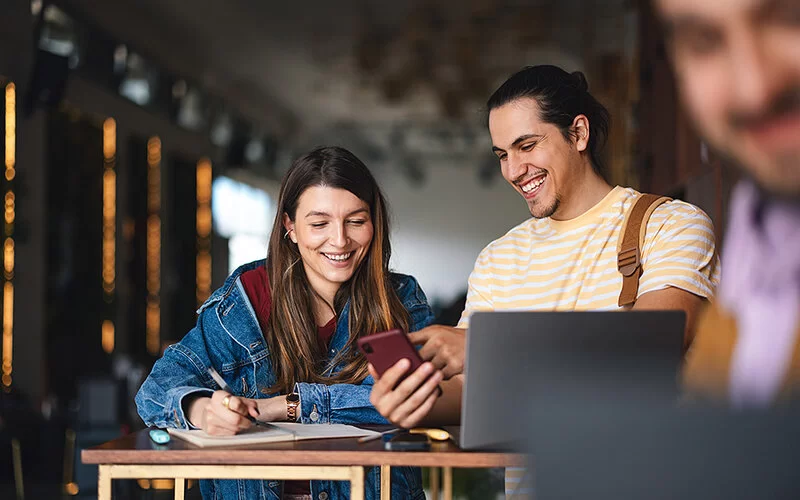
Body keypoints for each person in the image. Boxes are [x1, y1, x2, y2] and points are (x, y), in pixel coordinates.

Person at [368, 65, 720, 497]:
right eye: (502, 155)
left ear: (578, 134)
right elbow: (470, 392)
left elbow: (655, 345)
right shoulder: (499, 259)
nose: (514, 170)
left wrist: (483, 345)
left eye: (527, 145)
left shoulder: (669, 224)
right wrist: (413, 401)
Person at [136, 146, 460, 500]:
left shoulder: (399, 299)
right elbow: (155, 392)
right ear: (290, 226)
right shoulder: (245, 299)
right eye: (319, 223)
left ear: (374, 221)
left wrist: (289, 405)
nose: (339, 240)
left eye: (356, 220)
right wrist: (204, 410)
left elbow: (418, 400)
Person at [654, 0, 800, 406]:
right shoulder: (758, 231)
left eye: (791, 18)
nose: (755, 90)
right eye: (704, 41)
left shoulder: (675, 225)